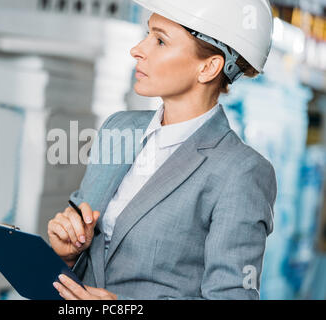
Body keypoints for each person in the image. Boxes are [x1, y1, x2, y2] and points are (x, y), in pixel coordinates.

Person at [48, 0, 277, 300]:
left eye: (160, 40)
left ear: (208, 67)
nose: (137, 49)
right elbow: (89, 260)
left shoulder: (241, 172)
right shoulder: (118, 129)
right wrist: (68, 253)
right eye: (147, 35)